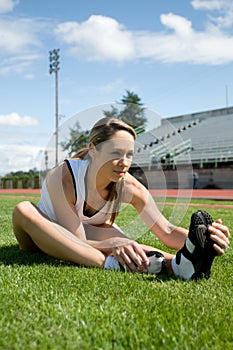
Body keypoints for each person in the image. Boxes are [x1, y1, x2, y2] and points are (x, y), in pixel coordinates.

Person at [12, 118, 230, 280]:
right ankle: (113, 265)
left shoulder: (130, 187)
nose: (125, 162)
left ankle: (178, 266)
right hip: (39, 237)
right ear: (93, 150)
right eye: (116, 153)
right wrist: (111, 244)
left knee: (128, 245)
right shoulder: (64, 177)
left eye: (129, 154)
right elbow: (75, 239)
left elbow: (167, 231)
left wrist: (203, 240)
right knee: (23, 209)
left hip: (85, 236)